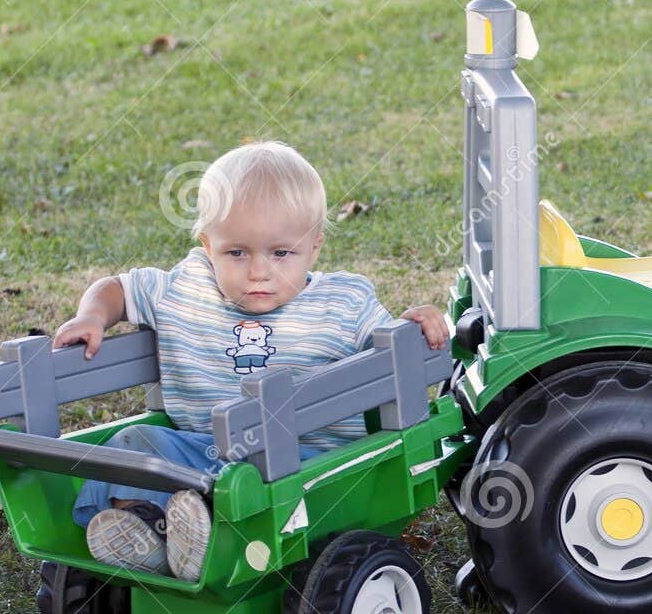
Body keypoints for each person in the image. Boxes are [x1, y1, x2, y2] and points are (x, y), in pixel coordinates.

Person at [52, 141, 449, 580]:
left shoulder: (342, 302)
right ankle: (147, 529)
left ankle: (197, 534)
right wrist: (92, 316)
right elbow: (118, 288)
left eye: (281, 253)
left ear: (314, 248)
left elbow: (387, 348)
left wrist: (413, 324)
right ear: (208, 246)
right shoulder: (186, 288)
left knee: (239, 486)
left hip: (305, 467)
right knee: (137, 443)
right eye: (236, 252)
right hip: (201, 451)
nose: (259, 271)